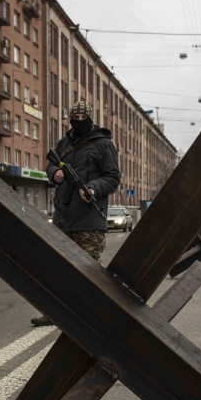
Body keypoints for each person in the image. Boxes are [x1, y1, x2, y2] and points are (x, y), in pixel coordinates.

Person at [32, 101, 120, 327]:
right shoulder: (64, 143)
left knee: (89, 270)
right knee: (58, 268)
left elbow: (112, 177)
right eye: (75, 117)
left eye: (83, 117)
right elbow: (50, 166)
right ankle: (53, 312)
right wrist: (55, 173)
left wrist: (93, 188)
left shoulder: (103, 145)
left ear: (91, 118)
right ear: (70, 118)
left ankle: (93, 314)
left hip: (89, 219)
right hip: (63, 218)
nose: (79, 121)